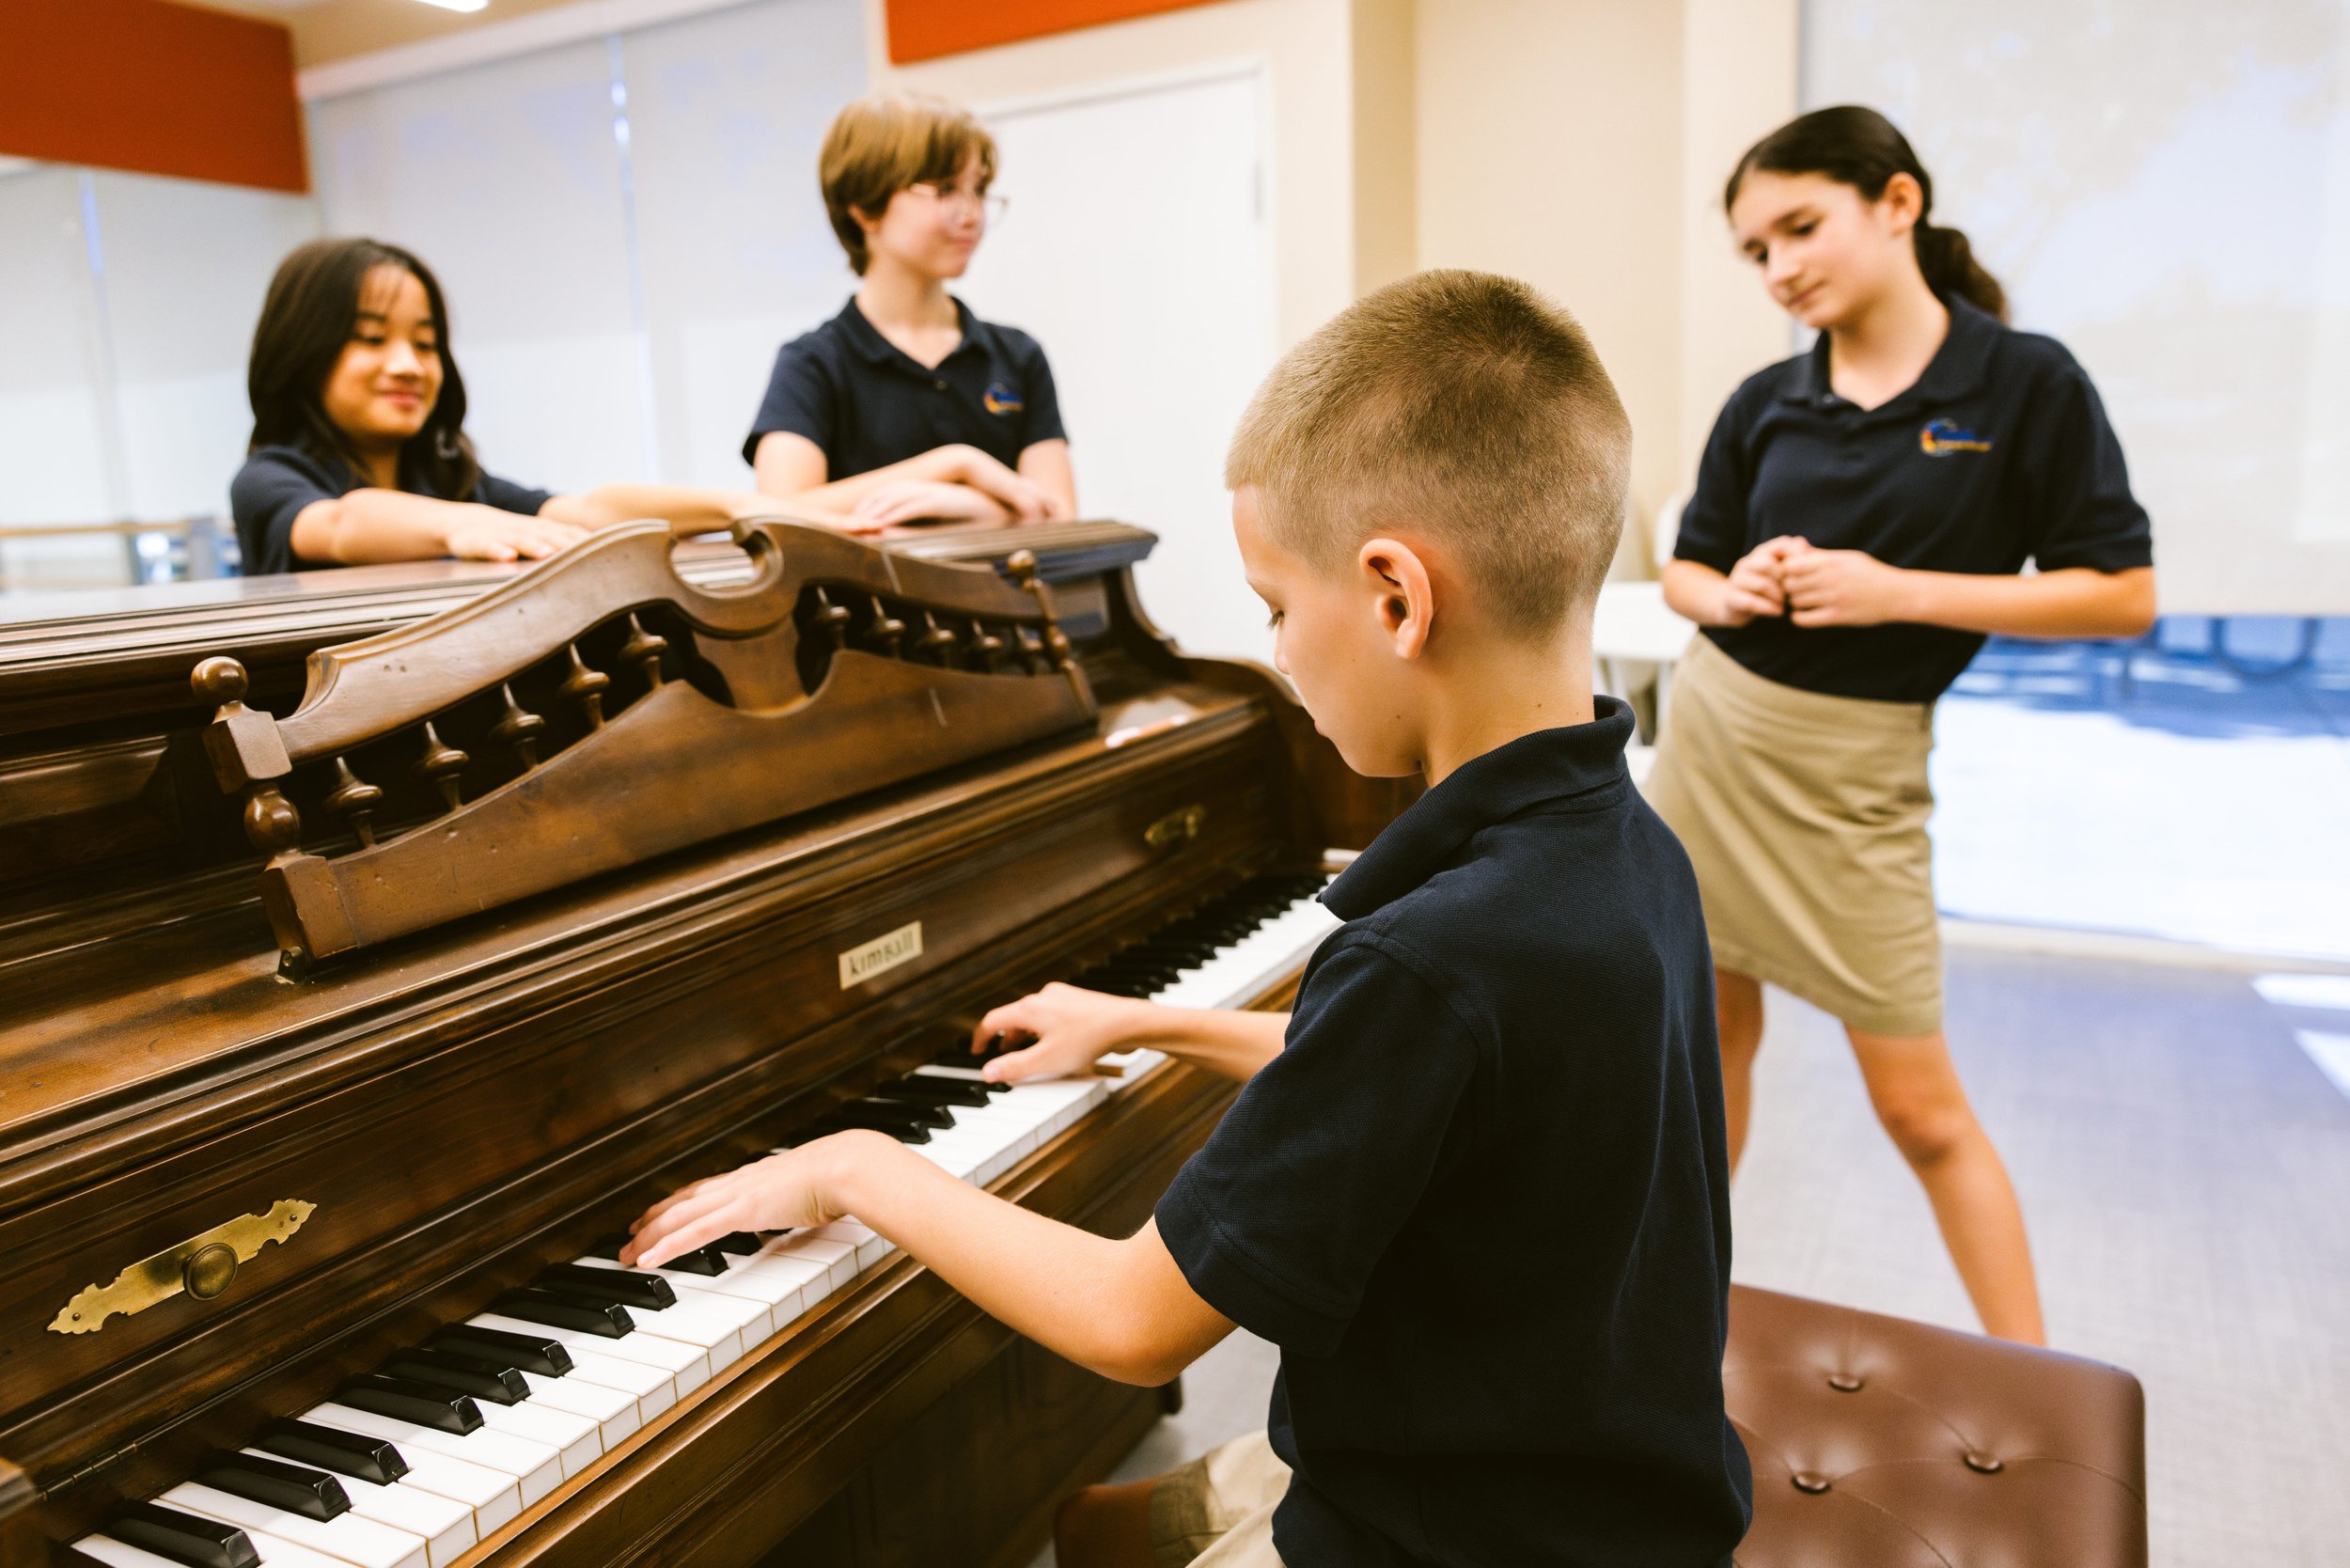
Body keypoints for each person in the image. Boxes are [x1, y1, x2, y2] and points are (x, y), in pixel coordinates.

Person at [628, 271, 1753, 1568]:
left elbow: (1130, 1322)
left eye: (1276, 607)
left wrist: (857, 1166)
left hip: (1452, 1536)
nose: (1272, 648)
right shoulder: (1621, 844)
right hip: (1600, 1490)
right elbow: (1432, 1088)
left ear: (1396, 597)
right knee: (1133, 1521)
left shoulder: (1432, 956)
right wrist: (1149, 1020)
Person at [1650, 105, 2158, 1345]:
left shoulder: (2026, 383)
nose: (1780, 268)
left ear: (1898, 203)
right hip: (1714, 744)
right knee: (1708, 1052)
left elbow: (2125, 595)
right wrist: (1741, 588)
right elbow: (1686, 574)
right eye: (1755, 250)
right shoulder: (1768, 398)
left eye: (1800, 227)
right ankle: (1677, 1324)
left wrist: (1896, 591)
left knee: (1920, 1110)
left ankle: (2041, 1391)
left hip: (1858, 778)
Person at [231, 238, 790, 575]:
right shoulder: (270, 479)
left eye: (426, 345)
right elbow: (340, 523)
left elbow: (588, 511)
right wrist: (460, 526)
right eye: (373, 338)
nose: (408, 365)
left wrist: (739, 508)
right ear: (302, 354)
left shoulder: (454, 480)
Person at [744, 91, 1075, 530]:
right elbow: (777, 518)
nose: (972, 213)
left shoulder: (1016, 357)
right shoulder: (813, 363)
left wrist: (973, 508)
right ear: (864, 206)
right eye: (945, 190)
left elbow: (1063, 526)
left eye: (978, 189)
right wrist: (952, 465)